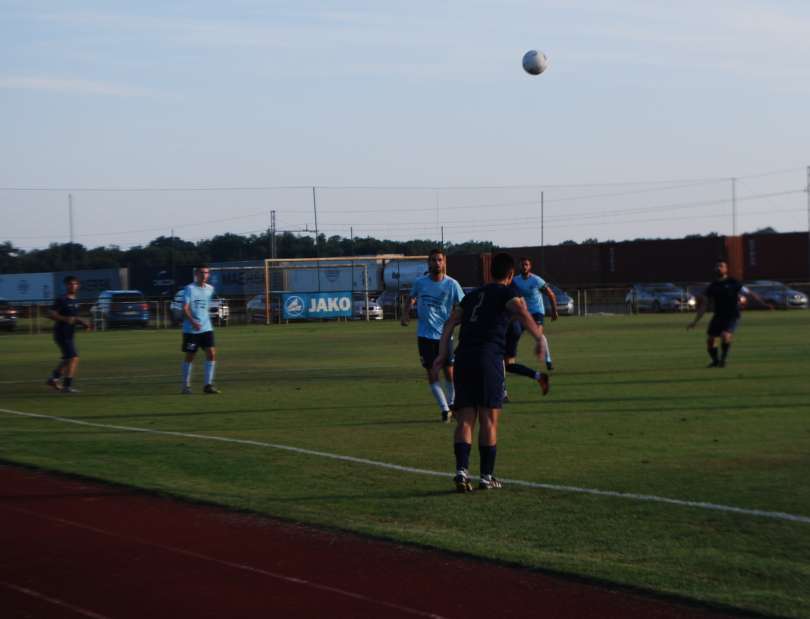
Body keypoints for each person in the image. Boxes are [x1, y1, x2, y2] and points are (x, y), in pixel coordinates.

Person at [433, 253, 547, 492]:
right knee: (488, 419)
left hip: (463, 358)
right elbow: (522, 312)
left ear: (490, 273)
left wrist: (443, 355)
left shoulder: (473, 295)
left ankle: (461, 472)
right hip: (488, 359)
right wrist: (539, 338)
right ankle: (486, 477)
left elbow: (449, 324)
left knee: (465, 419)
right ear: (510, 275)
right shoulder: (507, 293)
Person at [401, 249, 464, 422]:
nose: (437, 263)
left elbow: (464, 304)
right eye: (433, 260)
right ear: (428, 263)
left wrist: (458, 319)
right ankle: (445, 410)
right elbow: (411, 298)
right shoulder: (420, 283)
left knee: (449, 373)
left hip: (445, 336)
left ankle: (452, 404)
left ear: (444, 263)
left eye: (439, 260)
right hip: (425, 337)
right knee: (432, 374)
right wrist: (406, 313)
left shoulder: (452, 284)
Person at [687, 259, 771, 367]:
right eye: (717, 266)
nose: (719, 268)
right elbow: (704, 305)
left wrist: (763, 304)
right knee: (710, 340)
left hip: (732, 314)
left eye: (721, 266)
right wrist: (695, 322)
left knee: (725, 335)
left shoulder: (734, 282)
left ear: (726, 269)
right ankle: (715, 361)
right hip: (718, 315)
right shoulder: (712, 286)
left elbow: (749, 293)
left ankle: (723, 359)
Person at [503, 257, 557, 399]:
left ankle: (548, 360)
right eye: (522, 264)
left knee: (499, 362)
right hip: (517, 321)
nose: (524, 266)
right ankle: (538, 375)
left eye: (526, 264)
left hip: (533, 314)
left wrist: (554, 310)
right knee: (506, 364)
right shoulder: (515, 282)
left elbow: (550, 293)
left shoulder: (536, 280)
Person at [46, 275, 92, 393]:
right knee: (74, 358)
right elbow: (50, 314)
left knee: (67, 359)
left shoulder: (75, 300)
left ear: (78, 285)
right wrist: (64, 319)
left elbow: (74, 317)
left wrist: (83, 323)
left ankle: (53, 378)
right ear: (66, 285)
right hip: (61, 333)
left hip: (69, 334)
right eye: (70, 284)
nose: (73, 286)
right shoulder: (62, 299)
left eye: (75, 284)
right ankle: (66, 386)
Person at [181, 265, 220, 394]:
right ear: (196, 274)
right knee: (190, 356)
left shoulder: (210, 289)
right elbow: (185, 308)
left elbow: (205, 307)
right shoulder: (189, 289)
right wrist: (193, 321)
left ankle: (208, 385)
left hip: (206, 328)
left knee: (212, 354)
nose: (204, 275)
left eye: (207, 272)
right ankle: (186, 386)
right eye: (202, 272)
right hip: (191, 330)